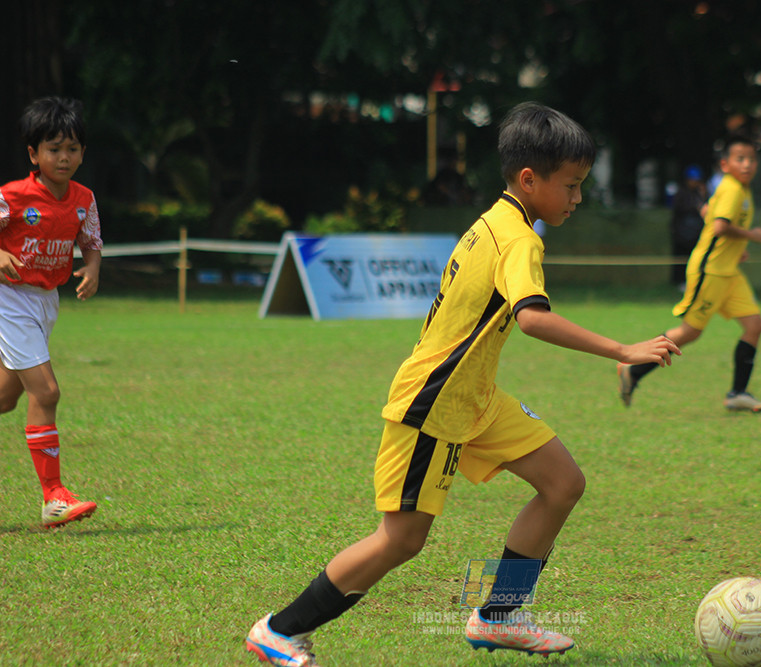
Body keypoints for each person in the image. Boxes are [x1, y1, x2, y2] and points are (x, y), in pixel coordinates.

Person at [245, 103, 678, 666]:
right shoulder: (519, 239)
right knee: (401, 539)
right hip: (436, 401)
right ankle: (279, 630)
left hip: (476, 397)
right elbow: (533, 319)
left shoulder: (493, 221)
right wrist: (623, 350)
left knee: (562, 483)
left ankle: (499, 616)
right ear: (530, 179)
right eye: (571, 185)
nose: (577, 198)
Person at [0, 97, 103, 528]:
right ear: (33, 154)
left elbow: (90, 241)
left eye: (72, 148)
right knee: (46, 392)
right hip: (9, 299)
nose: (64, 157)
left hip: (45, 301)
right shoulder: (12, 196)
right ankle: (54, 497)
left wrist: (92, 268)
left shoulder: (83, 199)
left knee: (6, 397)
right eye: (54, 148)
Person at [616, 135, 761, 413]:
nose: (747, 164)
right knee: (689, 332)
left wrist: (736, 249)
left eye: (752, 159)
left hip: (729, 271)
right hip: (711, 271)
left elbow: (710, 216)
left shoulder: (740, 188)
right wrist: (752, 236)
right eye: (740, 159)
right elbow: (720, 226)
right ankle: (632, 368)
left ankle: (737, 394)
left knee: (755, 325)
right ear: (725, 165)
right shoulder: (733, 189)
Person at [671, 164, 707, 285]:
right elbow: (678, 211)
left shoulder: (699, 193)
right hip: (682, 233)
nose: (695, 182)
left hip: (696, 232)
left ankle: (695, 280)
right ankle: (680, 281)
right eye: (693, 180)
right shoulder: (681, 193)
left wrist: (703, 195)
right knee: (681, 258)